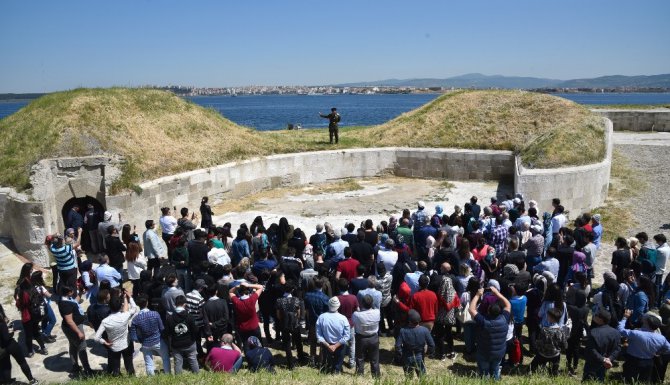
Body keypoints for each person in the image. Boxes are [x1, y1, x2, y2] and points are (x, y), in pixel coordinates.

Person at [468, 284, 511, 380]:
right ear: (500, 311)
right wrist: (497, 293)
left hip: (484, 352)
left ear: (488, 311)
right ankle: (495, 379)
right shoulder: (505, 319)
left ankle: (485, 379)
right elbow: (508, 304)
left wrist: (477, 295)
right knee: (496, 368)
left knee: (484, 369)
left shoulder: (484, 321)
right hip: (499, 352)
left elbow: (471, 310)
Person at [618, 309, 670, 383]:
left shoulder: (636, 333)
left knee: (628, 380)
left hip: (632, 361)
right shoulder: (661, 338)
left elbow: (620, 330)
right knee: (644, 381)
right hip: (648, 363)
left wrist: (625, 318)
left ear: (647, 324)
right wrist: (659, 352)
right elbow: (668, 349)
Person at [95, 291, 138, 376]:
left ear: (109, 307)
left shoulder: (105, 321)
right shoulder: (125, 316)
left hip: (114, 347)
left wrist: (105, 342)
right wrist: (130, 298)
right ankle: (132, 378)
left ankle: (117, 378)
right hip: (126, 344)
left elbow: (96, 338)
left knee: (116, 368)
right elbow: (134, 308)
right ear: (120, 306)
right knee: (129, 365)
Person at [130, 294, 171, 376]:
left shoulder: (135, 320)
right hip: (158, 341)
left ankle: (151, 379)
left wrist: (141, 339)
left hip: (145, 344)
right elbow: (162, 329)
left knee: (149, 363)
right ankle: (167, 375)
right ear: (147, 303)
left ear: (138, 304)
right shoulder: (155, 314)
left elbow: (134, 337)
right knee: (165, 358)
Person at [58, 286, 94, 376]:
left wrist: (81, 294)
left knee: (73, 346)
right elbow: (69, 321)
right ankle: (87, 370)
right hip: (74, 328)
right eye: (72, 291)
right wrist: (78, 332)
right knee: (82, 348)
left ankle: (75, 366)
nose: (73, 293)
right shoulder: (65, 304)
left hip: (74, 326)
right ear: (68, 292)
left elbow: (75, 302)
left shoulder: (67, 299)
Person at [0, 304, 38, 384]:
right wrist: (11, 331)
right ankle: (31, 380)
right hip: (10, 345)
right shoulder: (1, 322)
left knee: (6, 366)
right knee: (22, 362)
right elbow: (6, 337)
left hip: (1, 349)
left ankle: (8, 382)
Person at [582, 309, 621, 382]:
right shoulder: (616, 333)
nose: (594, 316)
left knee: (587, 380)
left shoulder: (593, 332)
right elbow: (618, 349)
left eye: (596, 315)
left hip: (592, 363)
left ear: (601, 319)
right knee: (600, 380)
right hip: (605, 364)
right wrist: (609, 359)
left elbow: (591, 349)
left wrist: (603, 359)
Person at [275, 280, 306, 369]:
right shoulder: (296, 300)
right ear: (292, 290)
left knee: (287, 344)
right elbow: (299, 313)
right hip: (294, 324)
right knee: (298, 341)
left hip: (284, 324)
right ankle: (301, 358)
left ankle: (290, 364)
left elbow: (278, 315)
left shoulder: (279, 300)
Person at [165, 295, 200, 374]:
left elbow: (167, 333)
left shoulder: (169, 318)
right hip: (190, 343)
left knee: (178, 362)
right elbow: (195, 330)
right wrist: (193, 339)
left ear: (175, 304)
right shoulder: (190, 316)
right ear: (184, 304)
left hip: (176, 345)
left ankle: (178, 380)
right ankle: (198, 376)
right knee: (193, 360)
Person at [395, 309, 435, 377]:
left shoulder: (403, 331)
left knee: (408, 378)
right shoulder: (424, 330)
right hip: (420, 356)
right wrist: (427, 353)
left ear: (409, 321)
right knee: (422, 377)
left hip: (407, 357)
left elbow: (397, 346)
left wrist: (402, 354)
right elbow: (432, 345)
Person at [316, 297, 351, 374]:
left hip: (326, 345)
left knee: (327, 361)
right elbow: (347, 336)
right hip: (340, 345)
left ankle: (327, 369)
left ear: (328, 305)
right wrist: (335, 346)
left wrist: (328, 345)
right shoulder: (343, 318)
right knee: (338, 362)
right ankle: (336, 370)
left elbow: (319, 335)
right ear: (338, 306)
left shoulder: (321, 317)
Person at [15, 277, 47, 357]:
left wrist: (17, 299)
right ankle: (43, 348)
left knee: (28, 335)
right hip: (36, 315)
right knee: (36, 332)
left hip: (27, 316)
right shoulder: (33, 290)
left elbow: (19, 305)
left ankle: (30, 351)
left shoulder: (23, 293)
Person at [529, 307, 567, 376]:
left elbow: (539, 343)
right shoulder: (561, 331)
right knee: (554, 369)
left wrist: (538, 349)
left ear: (551, 318)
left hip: (543, 354)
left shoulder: (544, 330)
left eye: (548, 316)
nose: (547, 317)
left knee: (533, 365)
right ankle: (554, 374)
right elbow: (564, 344)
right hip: (555, 354)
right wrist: (560, 349)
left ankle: (534, 373)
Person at [352, 294, 381, 377]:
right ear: (372, 303)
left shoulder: (356, 315)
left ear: (362, 303)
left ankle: (359, 375)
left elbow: (354, 323)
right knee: (375, 359)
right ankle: (376, 376)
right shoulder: (377, 312)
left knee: (360, 358)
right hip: (374, 338)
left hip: (361, 338)